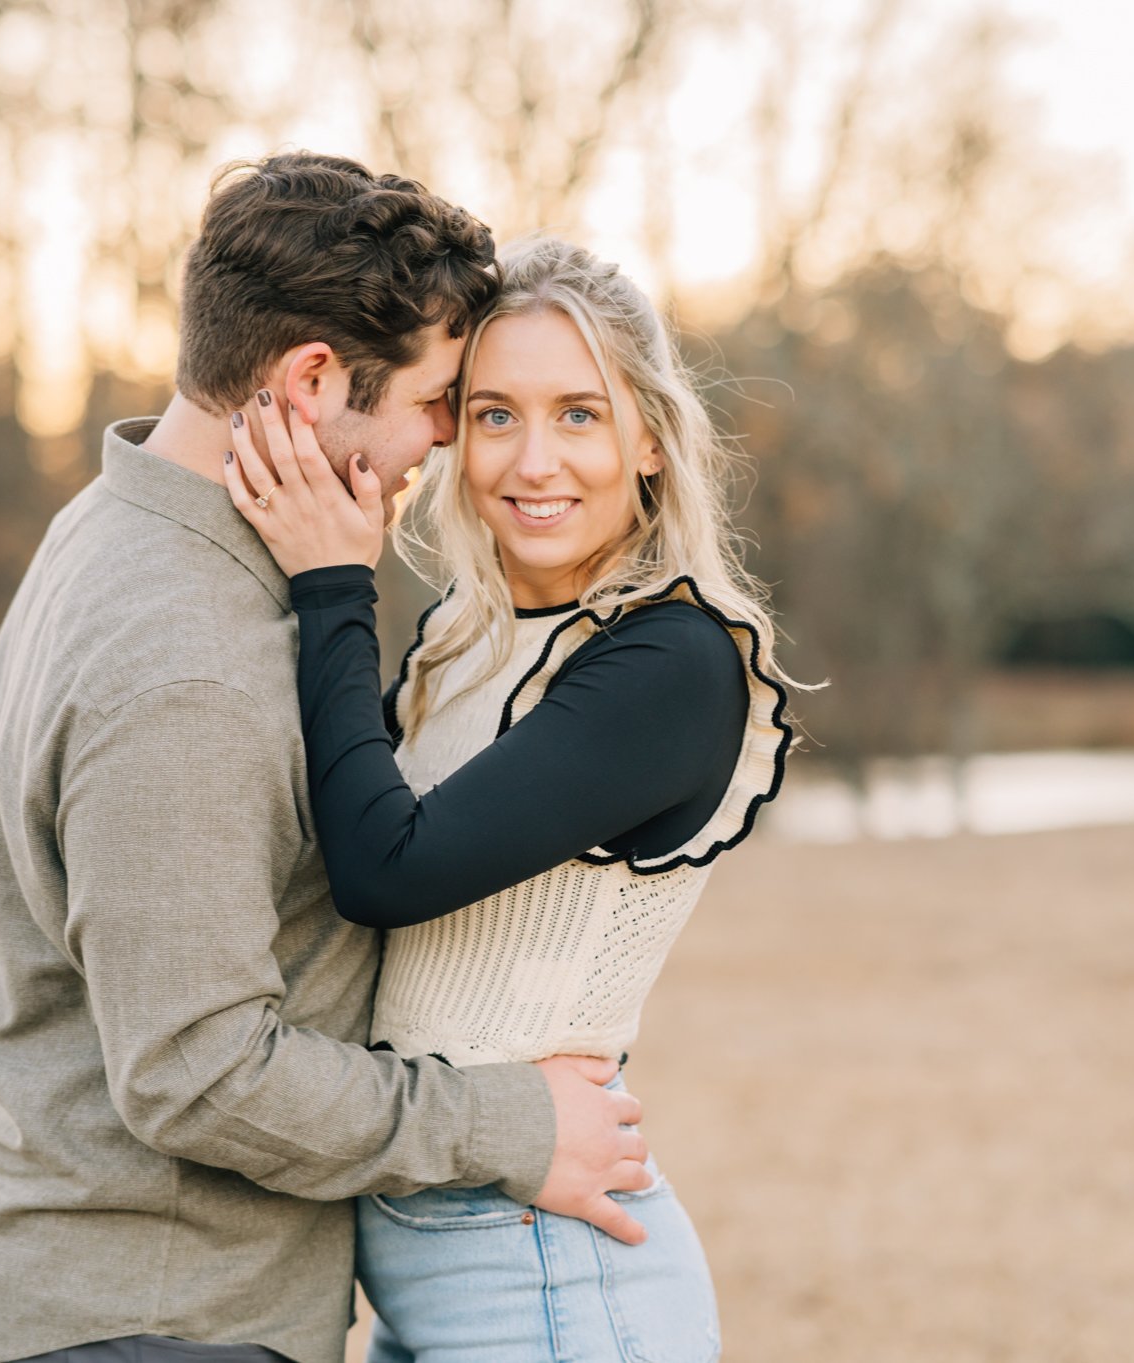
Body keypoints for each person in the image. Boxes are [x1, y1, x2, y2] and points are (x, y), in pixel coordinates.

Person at [0, 156, 654, 1363]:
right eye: (435, 397)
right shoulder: (188, 662)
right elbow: (199, 1073)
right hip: (153, 1322)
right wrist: (510, 1122)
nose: (443, 437)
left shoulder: (121, 524)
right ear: (312, 378)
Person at [224, 236, 797, 1363]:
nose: (534, 461)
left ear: (647, 439)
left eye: (578, 414)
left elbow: (387, 868)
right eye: (493, 415)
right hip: (428, 1247)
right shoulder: (466, 641)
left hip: (545, 1273)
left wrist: (333, 582)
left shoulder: (671, 661)